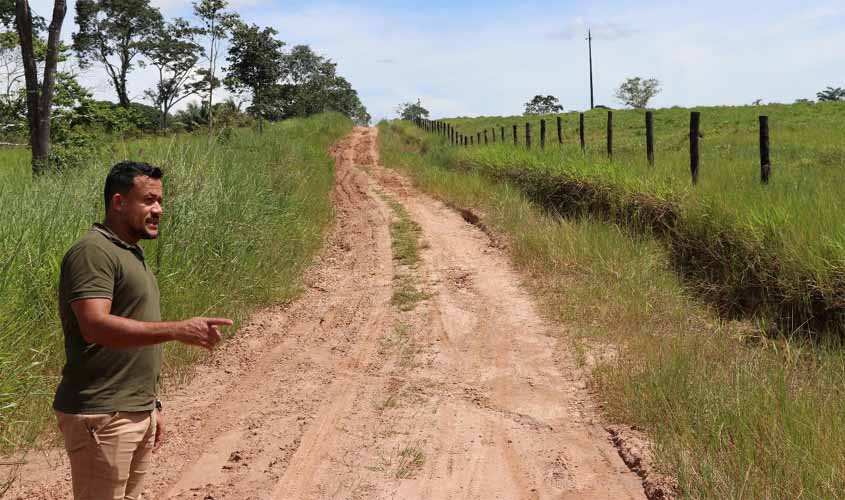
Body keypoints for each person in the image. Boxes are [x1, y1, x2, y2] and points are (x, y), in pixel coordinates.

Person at [53, 161, 232, 500]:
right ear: (118, 202)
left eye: (160, 201)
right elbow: (94, 326)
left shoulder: (130, 253)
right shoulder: (93, 251)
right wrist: (177, 330)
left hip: (134, 409)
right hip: (102, 414)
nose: (159, 210)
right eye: (149, 200)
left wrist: (152, 406)